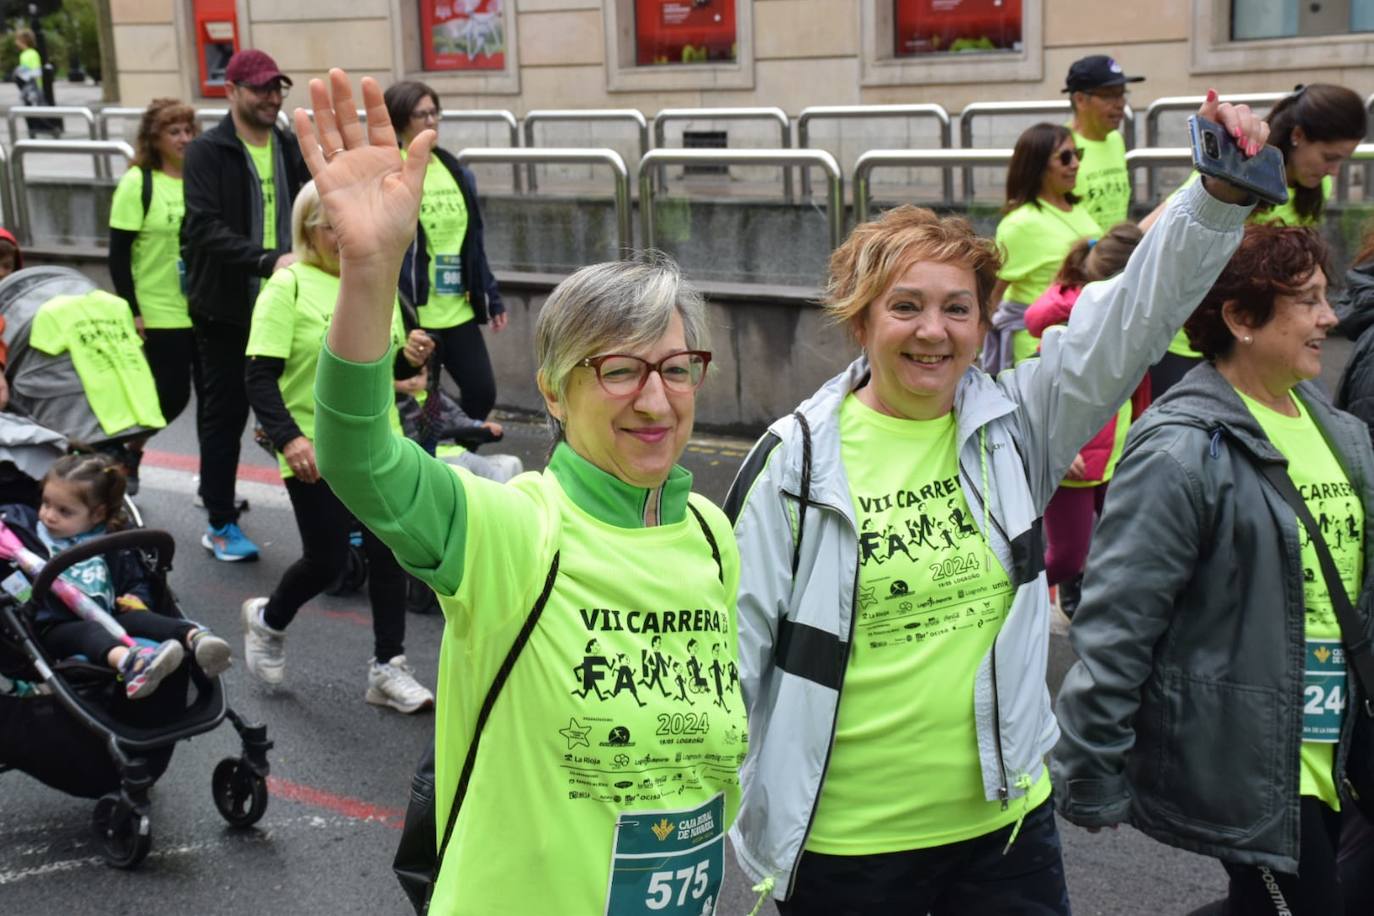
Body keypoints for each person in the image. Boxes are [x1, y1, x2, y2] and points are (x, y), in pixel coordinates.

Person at [723, 91, 1265, 914]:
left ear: (984, 324)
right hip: (847, 853)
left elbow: (1133, 311)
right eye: (905, 306)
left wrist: (1217, 195)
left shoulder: (1017, 427)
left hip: (1007, 837)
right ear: (860, 319)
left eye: (956, 308)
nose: (932, 331)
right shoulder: (793, 466)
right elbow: (728, 663)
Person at [298, 69, 745, 913]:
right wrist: (368, 271)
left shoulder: (716, 536)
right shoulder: (511, 530)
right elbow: (358, 456)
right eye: (618, 371)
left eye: (677, 371)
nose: (655, 400)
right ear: (552, 389)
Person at [1052, 223, 1373, 915]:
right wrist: (1091, 765)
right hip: (1251, 755)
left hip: (1341, 744)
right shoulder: (1178, 451)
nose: (1330, 318)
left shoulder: (1341, 434)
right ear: (1240, 318)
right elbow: (1118, 621)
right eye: (1308, 301)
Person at [240, 180, 434, 713]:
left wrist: (410, 357)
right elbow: (259, 375)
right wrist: (289, 438)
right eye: (333, 226)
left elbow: (380, 368)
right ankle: (268, 620)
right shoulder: (289, 287)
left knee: (388, 551)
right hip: (313, 449)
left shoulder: (378, 285)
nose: (345, 238)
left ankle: (387, 667)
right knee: (325, 562)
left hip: (379, 446)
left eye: (353, 226)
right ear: (308, 231)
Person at [1143, 83, 1367, 397]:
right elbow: (1145, 233)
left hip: (1254, 341)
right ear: (1298, 136)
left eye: (1342, 160)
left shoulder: (1314, 189)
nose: (1334, 172)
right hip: (1188, 338)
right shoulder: (1236, 174)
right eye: (1329, 157)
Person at [181, 48, 308, 562]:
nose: (271, 96)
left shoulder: (286, 143)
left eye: (277, 87)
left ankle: (338, 526)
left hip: (285, 306)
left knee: (304, 411)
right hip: (227, 310)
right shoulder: (208, 151)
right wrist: (266, 260)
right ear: (230, 91)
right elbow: (203, 228)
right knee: (224, 417)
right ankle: (219, 521)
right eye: (260, 88)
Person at [18, 453, 232, 700]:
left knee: (140, 618)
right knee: (90, 632)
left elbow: (135, 578)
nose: (49, 515)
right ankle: (132, 664)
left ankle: (195, 638)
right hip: (56, 624)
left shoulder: (113, 541)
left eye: (64, 511)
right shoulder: (26, 528)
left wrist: (137, 598)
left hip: (110, 613)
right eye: (45, 503)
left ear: (97, 514)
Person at [1024, 223, 1145, 616]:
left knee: (1121, 540)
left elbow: (1135, 386)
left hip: (1113, 453)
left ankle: (1084, 607)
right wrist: (1057, 444)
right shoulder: (1069, 328)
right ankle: (1003, 602)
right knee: (1066, 558)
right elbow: (1038, 393)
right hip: (1074, 460)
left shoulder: (1126, 318)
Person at [383, 80, 505, 422]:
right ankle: (438, 463)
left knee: (481, 393)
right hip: (417, 312)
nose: (431, 121)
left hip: (458, 306)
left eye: (434, 112)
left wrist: (491, 296)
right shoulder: (394, 171)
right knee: (423, 402)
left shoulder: (455, 169)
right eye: (420, 114)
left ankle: (456, 456)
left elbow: (473, 240)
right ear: (401, 120)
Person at [108, 98, 200, 495]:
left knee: (217, 405)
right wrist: (134, 310)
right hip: (160, 310)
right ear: (154, 138)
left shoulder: (199, 178)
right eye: (174, 132)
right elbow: (118, 254)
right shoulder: (138, 183)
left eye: (188, 130)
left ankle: (214, 485)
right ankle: (128, 448)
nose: (184, 139)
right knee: (172, 395)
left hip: (203, 307)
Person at [984, 122, 1102, 371]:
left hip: (1084, 340)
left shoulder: (1078, 208)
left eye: (1077, 154)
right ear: (1037, 166)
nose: (1076, 164)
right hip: (1040, 352)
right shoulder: (1019, 224)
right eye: (1065, 157)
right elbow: (990, 295)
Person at [1063, 55, 1142, 230]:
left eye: (1122, 94)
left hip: (1113, 253)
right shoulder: (1060, 147)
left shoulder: (1115, 140)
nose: (1120, 104)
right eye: (1110, 96)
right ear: (1080, 100)